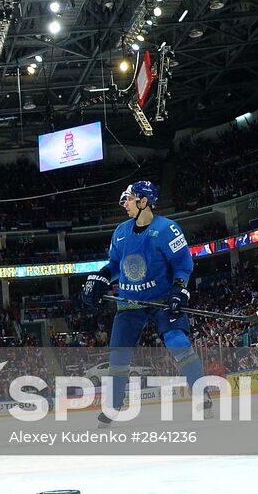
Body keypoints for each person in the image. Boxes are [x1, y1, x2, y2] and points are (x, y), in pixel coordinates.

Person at [82, 181, 208, 425]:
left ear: (144, 201)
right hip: (130, 303)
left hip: (162, 301)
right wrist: (101, 278)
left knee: (178, 342)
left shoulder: (167, 229)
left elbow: (183, 265)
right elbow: (115, 265)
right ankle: (114, 406)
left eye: (129, 199)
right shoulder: (120, 232)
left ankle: (202, 393)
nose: (125, 204)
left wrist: (180, 291)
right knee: (118, 356)